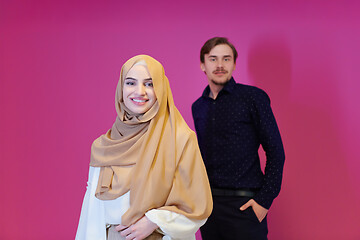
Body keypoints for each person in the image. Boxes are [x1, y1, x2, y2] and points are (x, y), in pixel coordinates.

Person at [76, 55, 213, 240]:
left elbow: (197, 206)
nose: (139, 91)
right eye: (131, 83)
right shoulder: (103, 146)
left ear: (161, 89)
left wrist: (154, 221)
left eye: (149, 84)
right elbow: (91, 211)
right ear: (121, 88)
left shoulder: (180, 139)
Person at [192, 37, 285, 240]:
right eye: (213, 59)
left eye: (226, 59)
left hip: (245, 206)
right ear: (203, 65)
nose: (219, 65)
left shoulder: (253, 98)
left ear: (234, 64)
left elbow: (276, 152)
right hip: (209, 208)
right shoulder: (198, 107)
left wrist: (264, 201)